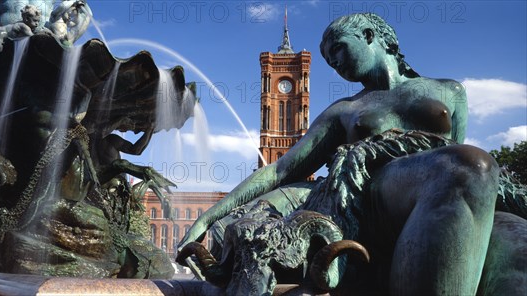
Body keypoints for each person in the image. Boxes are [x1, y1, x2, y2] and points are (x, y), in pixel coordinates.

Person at [178, 13, 500, 295]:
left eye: (338, 49)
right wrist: (209, 216)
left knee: (514, 243)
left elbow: (453, 151)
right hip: (374, 196)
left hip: (439, 189)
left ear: (369, 36)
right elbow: (279, 170)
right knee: (469, 165)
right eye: (329, 61)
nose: (335, 64)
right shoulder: (346, 109)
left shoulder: (450, 90)